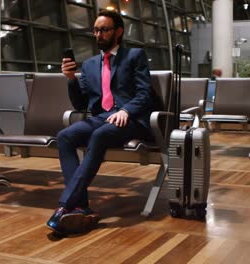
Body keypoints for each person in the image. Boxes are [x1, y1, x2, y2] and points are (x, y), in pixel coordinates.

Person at [46, 10, 156, 235]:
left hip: (131, 119)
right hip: (100, 117)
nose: (99, 34)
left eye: (104, 29)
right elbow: (80, 103)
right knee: (65, 136)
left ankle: (65, 205)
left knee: (100, 135)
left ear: (118, 32)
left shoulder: (134, 56)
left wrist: (126, 110)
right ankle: (79, 206)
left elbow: (145, 94)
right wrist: (71, 80)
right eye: (96, 30)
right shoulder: (89, 64)